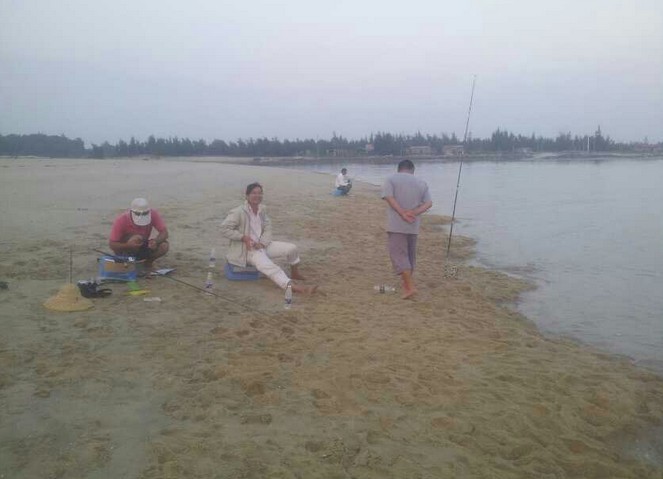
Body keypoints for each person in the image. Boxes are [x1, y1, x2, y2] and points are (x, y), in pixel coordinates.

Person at [220, 182, 317, 294]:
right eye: (254, 193)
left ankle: (295, 273)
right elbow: (224, 229)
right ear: (247, 196)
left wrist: (262, 243)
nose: (257, 196)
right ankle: (295, 287)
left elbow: (268, 228)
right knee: (269, 266)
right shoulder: (238, 212)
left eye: (260, 193)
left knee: (292, 248)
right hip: (248, 250)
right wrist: (243, 237)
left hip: (262, 245)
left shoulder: (262, 210)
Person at [381, 160, 432, 299]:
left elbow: (389, 197)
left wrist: (402, 213)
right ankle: (406, 285)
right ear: (412, 169)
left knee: (399, 255)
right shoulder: (422, 183)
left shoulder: (391, 179)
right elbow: (428, 203)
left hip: (396, 225)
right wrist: (414, 212)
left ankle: (410, 288)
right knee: (409, 256)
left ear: (399, 169)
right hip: (413, 225)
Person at [109, 197, 169, 269]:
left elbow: (164, 232)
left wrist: (155, 241)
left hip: (143, 244)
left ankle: (147, 262)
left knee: (164, 245)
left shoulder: (153, 214)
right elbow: (112, 244)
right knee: (137, 238)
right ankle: (130, 262)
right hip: (126, 249)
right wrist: (128, 245)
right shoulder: (121, 220)